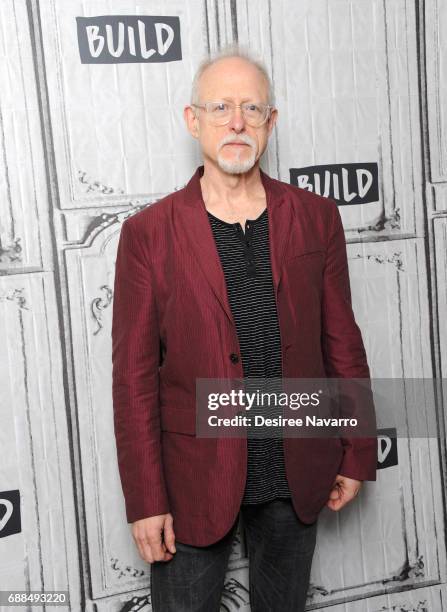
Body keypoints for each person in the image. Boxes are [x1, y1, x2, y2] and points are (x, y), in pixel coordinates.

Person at [111, 43, 377, 612]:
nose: (237, 122)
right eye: (221, 107)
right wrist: (144, 500)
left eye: (253, 109)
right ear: (194, 120)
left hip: (294, 475)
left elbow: (342, 345)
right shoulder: (148, 235)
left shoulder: (316, 217)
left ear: (270, 122)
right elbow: (132, 383)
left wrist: (356, 451)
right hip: (191, 486)